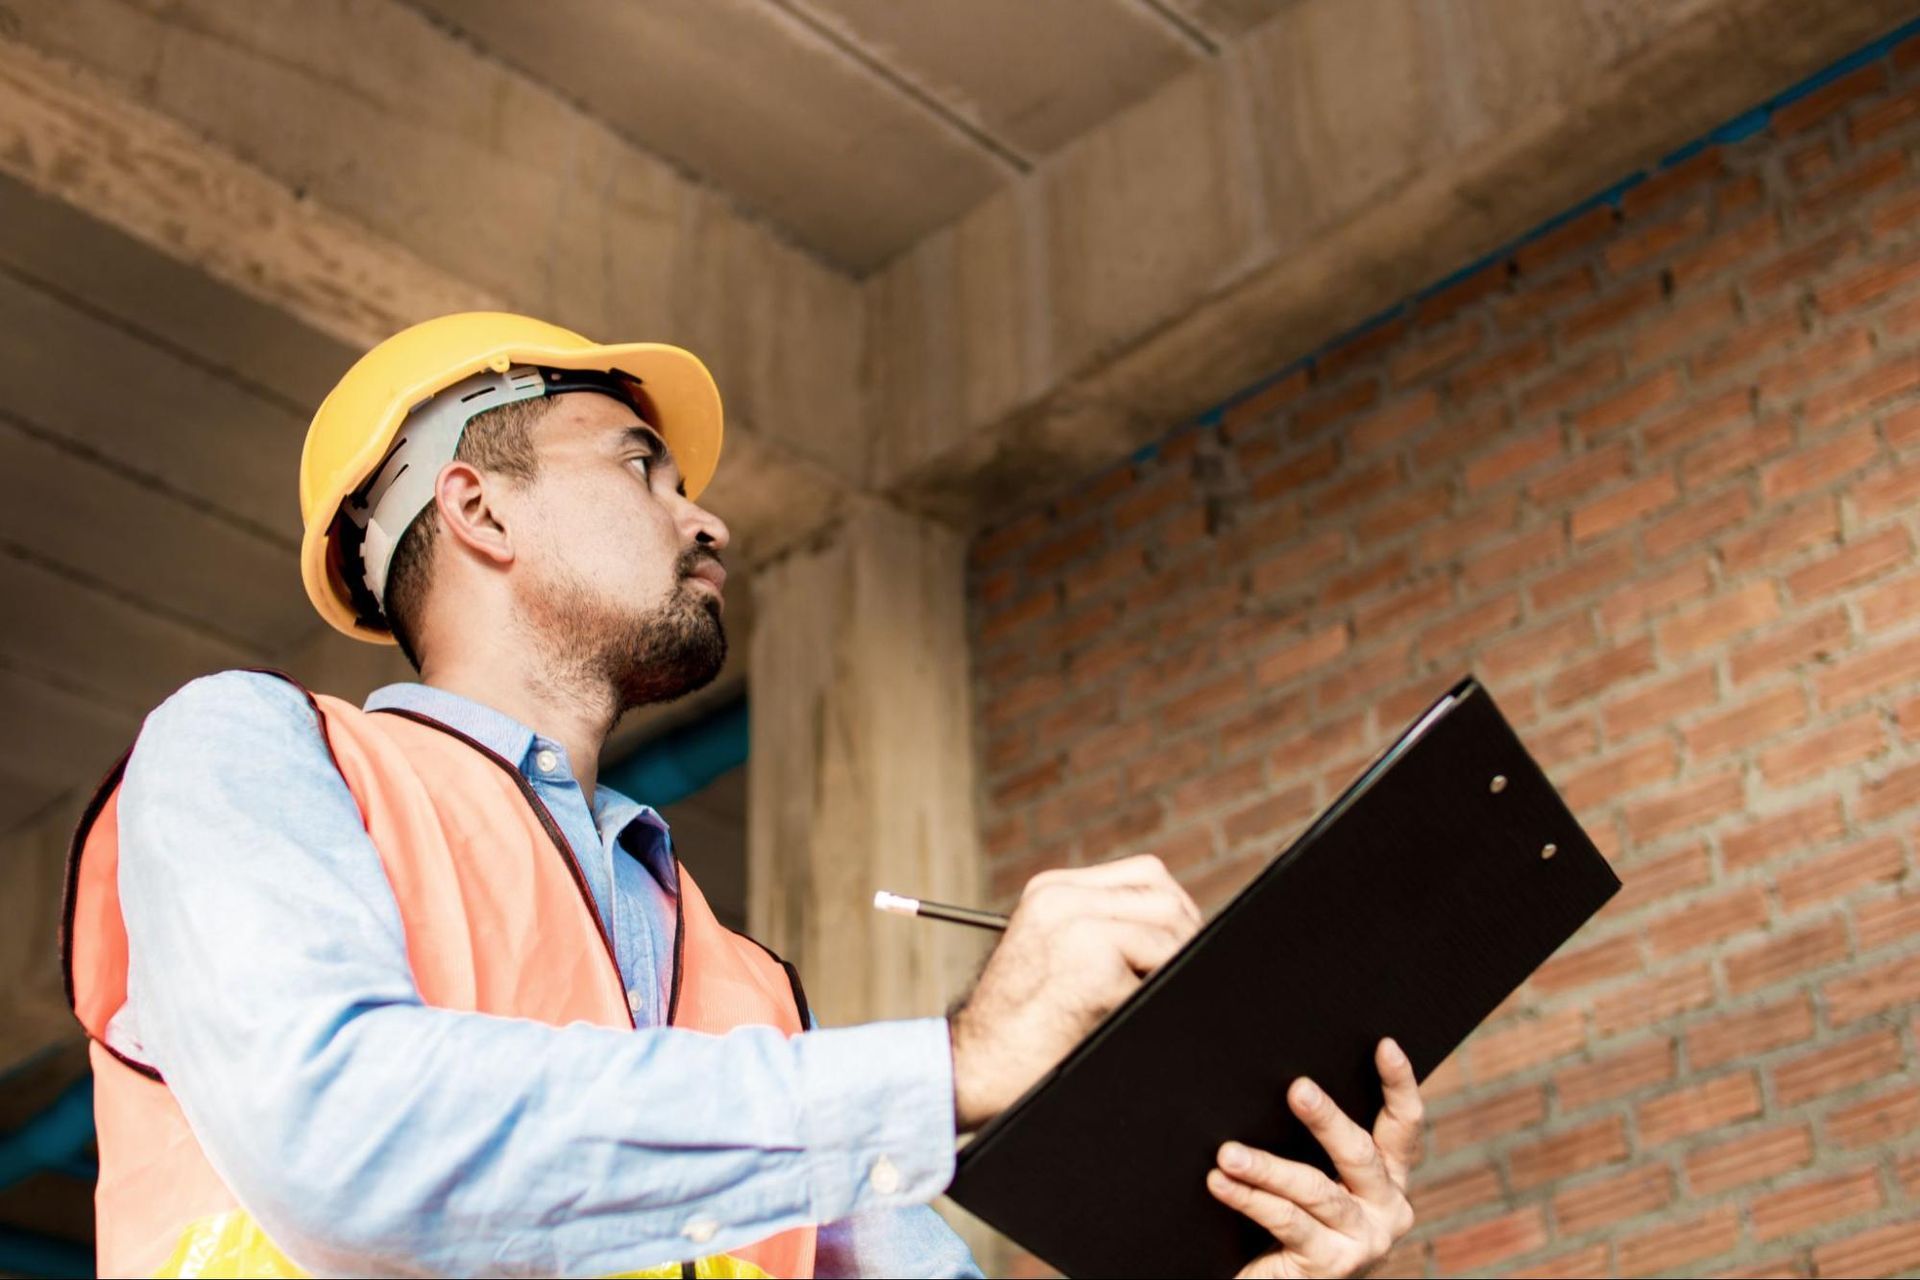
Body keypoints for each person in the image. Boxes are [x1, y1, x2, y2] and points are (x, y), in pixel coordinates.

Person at [62, 313, 1426, 1279]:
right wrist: (947, 1066)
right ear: (477, 510)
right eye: (642, 469)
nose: (707, 520)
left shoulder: (744, 993)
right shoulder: (251, 754)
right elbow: (345, 1137)